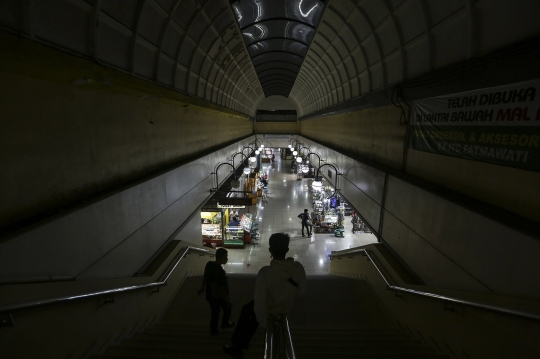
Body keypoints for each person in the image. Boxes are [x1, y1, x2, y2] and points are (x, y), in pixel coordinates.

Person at [223, 233, 306, 359]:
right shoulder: (298, 268)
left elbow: (259, 303)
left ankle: (237, 345)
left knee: (247, 311)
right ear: (287, 250)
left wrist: (266, 323)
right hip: (285, 307)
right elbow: (301, 292)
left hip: (269, 309)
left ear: (270, 250)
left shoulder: (265, 273)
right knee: (248, 311)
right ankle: (242, 343)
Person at [197, 248, 235, 335]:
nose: (227, 258)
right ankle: (224, 323)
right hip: (217, 296)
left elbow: (206, 277)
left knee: (214, 312)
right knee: (227, 307)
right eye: (226, 257)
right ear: (221, 258)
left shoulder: (209, 264)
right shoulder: (220, 272)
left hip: (209, 293)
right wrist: (227, 300)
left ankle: (213, 329)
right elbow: (221, 289)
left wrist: (202, 287)